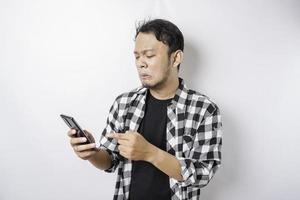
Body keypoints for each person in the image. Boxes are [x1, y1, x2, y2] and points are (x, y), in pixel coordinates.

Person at [67, 19, 222, 200]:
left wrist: (150, 153)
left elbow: (202, 174)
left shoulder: (204, 109)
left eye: (149, 55)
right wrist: (91, 153)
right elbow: (110, 161)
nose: (141, 63)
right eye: (137, 56)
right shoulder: (124, 103)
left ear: (176, 58)